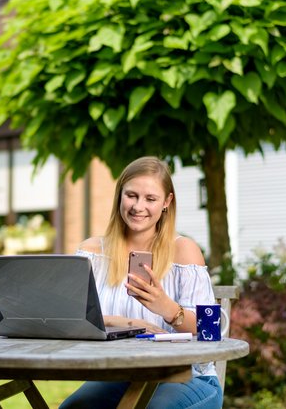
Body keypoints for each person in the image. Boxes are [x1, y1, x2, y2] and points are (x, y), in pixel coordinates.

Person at [59, 156, 222, 409]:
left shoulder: (184, 251)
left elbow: (210, 332)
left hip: (187, 376)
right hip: (120, 375)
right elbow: (72, 320)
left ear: (167, 202)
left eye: (150, 199)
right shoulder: (91, 252)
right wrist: (129, 323)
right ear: (119, 196)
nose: (138, 206)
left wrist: (168, 309)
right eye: (131, 195)